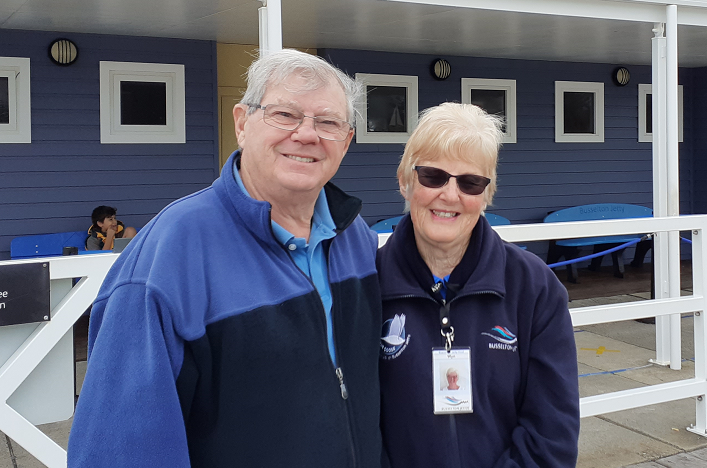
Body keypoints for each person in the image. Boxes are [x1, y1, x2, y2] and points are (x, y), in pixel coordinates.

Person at [68, 50, 382, 467]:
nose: (307, 134)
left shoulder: (355, 237)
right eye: (284, 114)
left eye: (328, 122)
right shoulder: (171, 254)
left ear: (346, 141)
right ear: (241, 124)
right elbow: (118, 452)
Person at [377, 103, 579, 467]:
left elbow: (552, 431)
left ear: (487, 195)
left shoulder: (534, 287)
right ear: (405, 181)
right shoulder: (366, 285)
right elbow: (357, 427)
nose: (450, 195)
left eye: (470, 182)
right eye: (433, 176)